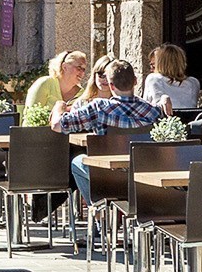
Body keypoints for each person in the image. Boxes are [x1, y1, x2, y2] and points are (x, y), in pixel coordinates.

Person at [53, 58, 162, 208]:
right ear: (135, 81)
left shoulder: (99, 107)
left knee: (76, 162)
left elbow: (58, 125)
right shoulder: (153, 111)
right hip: (143, 178)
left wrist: (59, 107)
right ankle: (101, 212)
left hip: (108, 177)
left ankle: (98, 212)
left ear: (111, 85)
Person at [142, 43, 201, 116]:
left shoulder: (153, 79)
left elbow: (145, 108)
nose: (151, 69)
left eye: (153, 65)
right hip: (190, 123)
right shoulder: (194, 82)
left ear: (162, 64)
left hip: (163, 124)